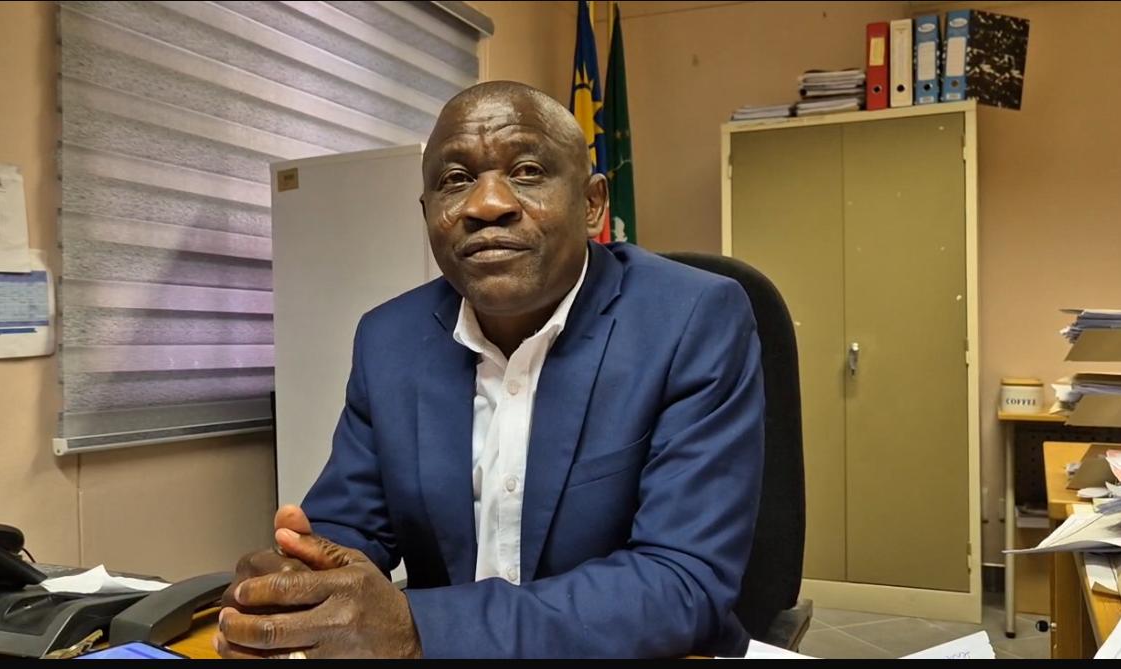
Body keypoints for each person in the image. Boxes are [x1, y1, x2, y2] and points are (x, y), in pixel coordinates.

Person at [216, 81, 764, 659]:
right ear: (428, 215)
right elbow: (349, 529)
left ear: (592, 204)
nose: (487, 204)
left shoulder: (691, 319)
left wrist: (421, 628)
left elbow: (681, 580)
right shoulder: (390, 339)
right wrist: (299, 583)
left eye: (527, 171)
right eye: (456, 180)